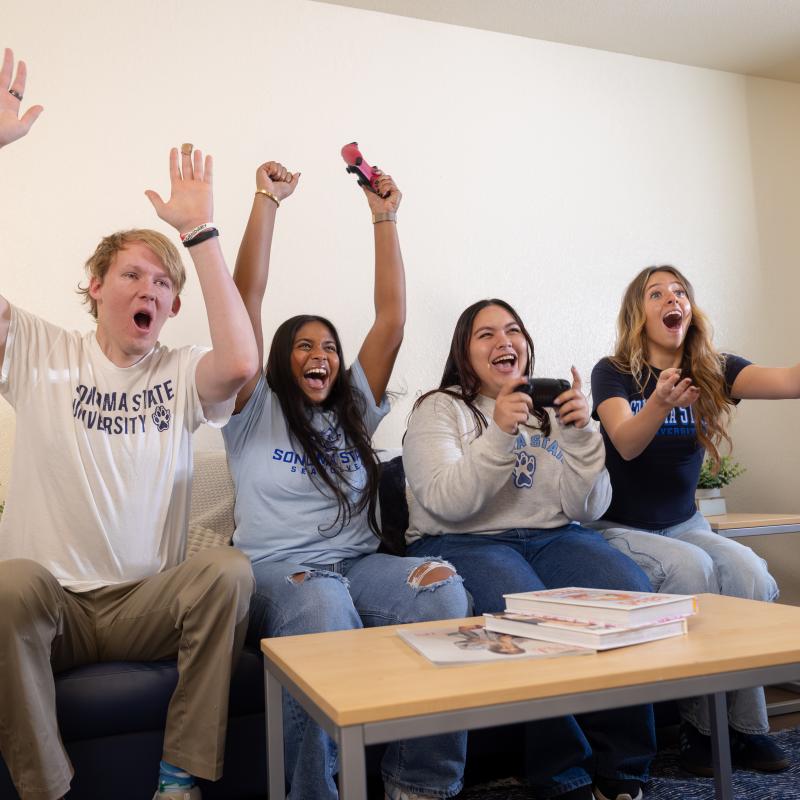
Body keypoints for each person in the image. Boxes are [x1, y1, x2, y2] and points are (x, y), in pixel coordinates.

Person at [0, 49, 258, 800]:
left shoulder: (178, 372)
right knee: (7, 586)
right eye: (132, 274)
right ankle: (47, 789)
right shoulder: (42, 350)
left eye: (163, 283)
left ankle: (180, 778)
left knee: (229, 571)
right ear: (95, 286)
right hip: (58, 606)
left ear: (172, 309)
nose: (151, 287)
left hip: (149, 602)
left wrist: (200, 234)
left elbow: (241, 363)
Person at [222, 160, 469, 800]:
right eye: (304, 346)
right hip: (278, 574)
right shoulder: (254, 410)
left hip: (356, 563)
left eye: (328, 345)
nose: (321, 355)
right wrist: (266, 201)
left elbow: (391, 320)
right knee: (323, 605)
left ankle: (421, 784)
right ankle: (314, 793)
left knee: (442, 591)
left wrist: (384, 215)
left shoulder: (353, 405)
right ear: (278, 359)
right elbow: (243, 299)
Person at [403, 298, 655, 800]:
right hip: (463, 540)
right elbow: (447, 501)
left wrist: (583, 435)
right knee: (531, 614)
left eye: (513, 330)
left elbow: (587, 507)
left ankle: (626, 765)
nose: (504, 341)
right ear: (464, 352)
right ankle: (565, 773)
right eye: (487, 334)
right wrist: (498, 431)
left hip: (553, 535)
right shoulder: (439, 408)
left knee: (631, 592)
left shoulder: (548, 413)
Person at [590, 265, 792, 775]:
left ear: (689, 310)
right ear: (639, 314)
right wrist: (658, 401)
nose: (670, 299)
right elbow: (627, 444)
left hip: (687, 524)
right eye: (655, 293)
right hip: (620, 527)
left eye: (679, 291)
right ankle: (702, 733)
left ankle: (747, 730)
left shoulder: (713, 368)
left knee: (746, 571)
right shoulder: (612, 372)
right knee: (691, 572)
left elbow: (789, 381)